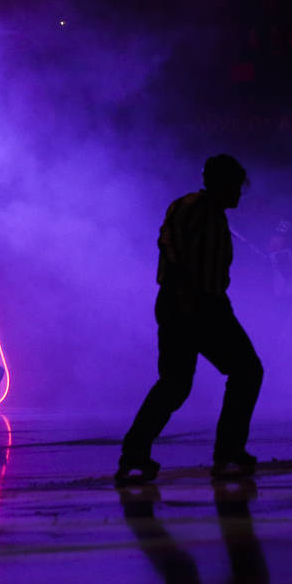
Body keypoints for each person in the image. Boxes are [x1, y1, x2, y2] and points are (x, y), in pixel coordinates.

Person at [117, 155, 264, 484]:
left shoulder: (210, 214)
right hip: (194, 304)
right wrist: (185, 289)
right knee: (242, 371)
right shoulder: (195, 208)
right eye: (236, 187)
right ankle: (226, 453)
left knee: (179, 383)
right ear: (223, 183)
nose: (240, 194)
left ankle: (136, 451)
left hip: (198, 303)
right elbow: (169, 243)